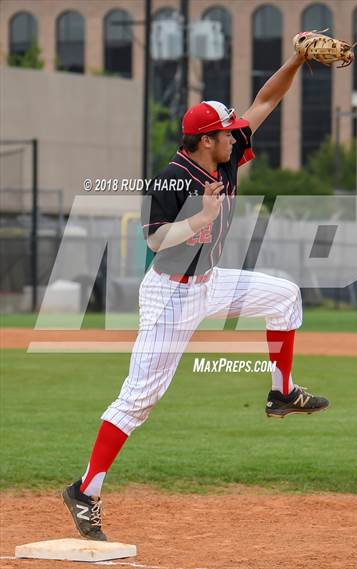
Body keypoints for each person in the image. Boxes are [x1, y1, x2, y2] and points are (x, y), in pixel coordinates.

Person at [63, 46, 329, 542]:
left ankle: (281, 393)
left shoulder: (222, 159)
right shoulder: (171, 178)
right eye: (227, 131)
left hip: (209, 282)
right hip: (170, 295)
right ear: (206, 141)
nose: (235, 135)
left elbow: (264, 102)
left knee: (284, 297)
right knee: (137, 400)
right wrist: (203, 218)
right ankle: (85, 491)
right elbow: (154, 239)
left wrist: (294, 60)